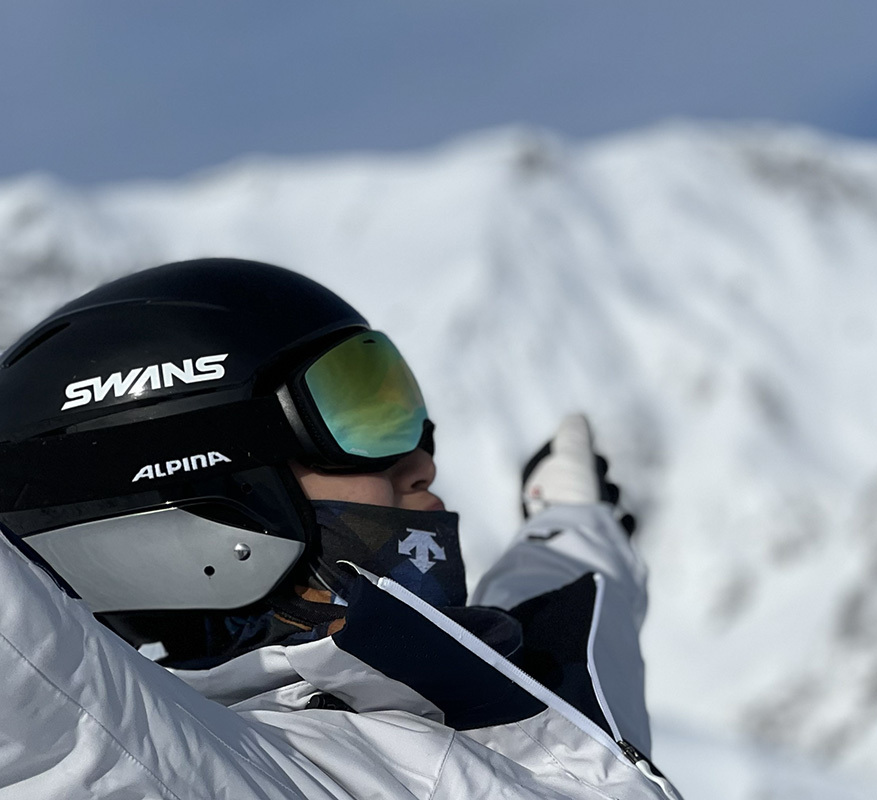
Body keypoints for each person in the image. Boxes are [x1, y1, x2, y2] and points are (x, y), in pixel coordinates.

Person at [0, 258, 680, 799]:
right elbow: (42, 692)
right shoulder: (211, 771)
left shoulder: (519, 696)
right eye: (356, 415)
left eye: (395, 402)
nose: (422, 460)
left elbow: (580, 610)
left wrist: (575, 520)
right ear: (203, 494)